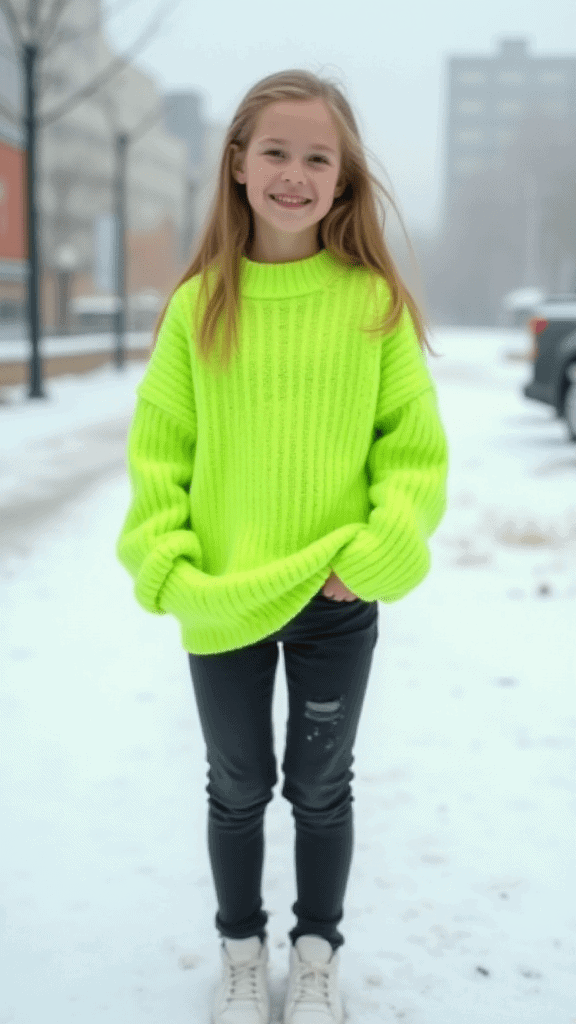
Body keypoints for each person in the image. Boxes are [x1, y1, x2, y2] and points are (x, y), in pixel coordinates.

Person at [116, 68, 449, 1024]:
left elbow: (413, 455)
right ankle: (239, 953)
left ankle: (315, 954)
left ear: (343, 180)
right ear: (237, 164)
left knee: (320, 788)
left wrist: (374, 554)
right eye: (275, 152)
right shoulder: (199, 307)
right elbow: (160, 454)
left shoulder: (373, 304)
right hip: (223, 598)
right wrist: (168, 563)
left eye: (317, 158)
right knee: (235, 788)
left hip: (334, 598)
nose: (294, 174)